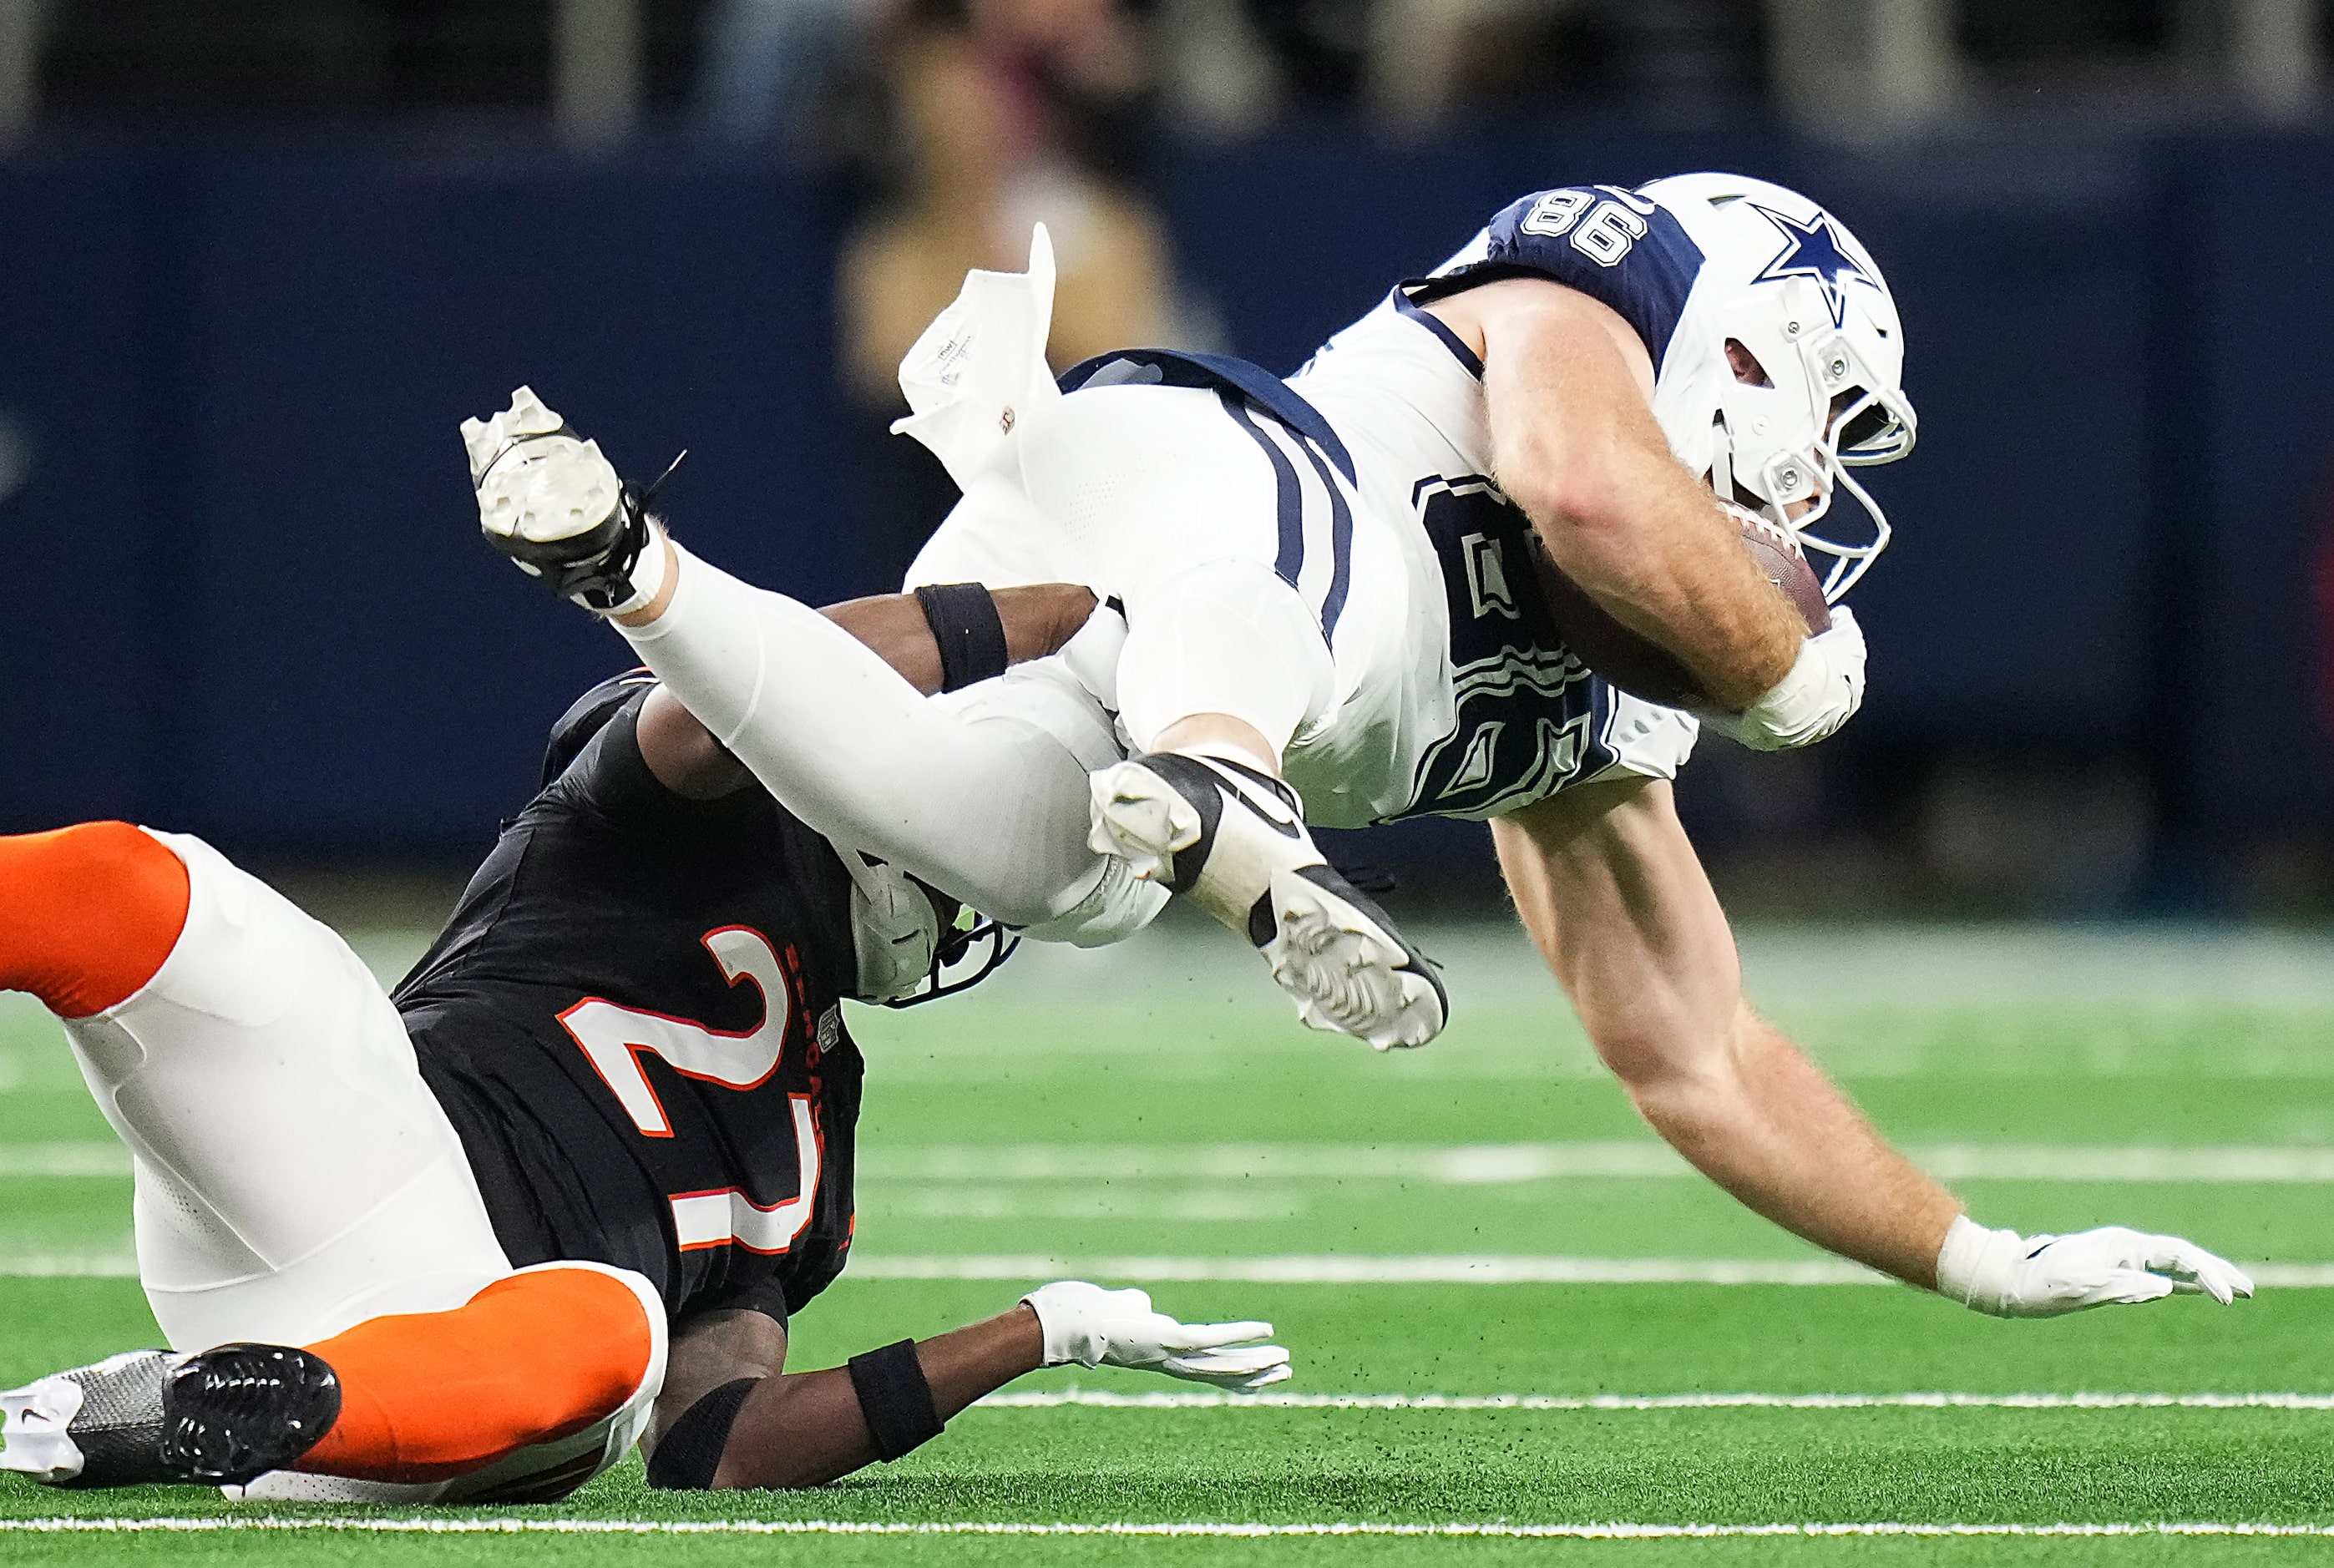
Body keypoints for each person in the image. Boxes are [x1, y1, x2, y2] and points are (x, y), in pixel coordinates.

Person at [476, 170, 2256, 1323]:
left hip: (1089, 691)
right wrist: (1788, 664)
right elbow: (1583, 494)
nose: (1816, 493)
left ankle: (640, 573)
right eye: (1831, 427)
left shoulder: (1604, 723)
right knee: (1277, 601)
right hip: (1179, 484)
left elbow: (1694, 1049)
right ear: (1755, 342)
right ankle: (1227, 795)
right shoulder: (1602, 271)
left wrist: (1972, 1254)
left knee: (1051, 881)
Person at [0, 578, 1285, 1503]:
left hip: (453, 1391)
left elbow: (718, 1442)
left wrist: (1037, 1331)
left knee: (612, 1334)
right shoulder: (666, 818)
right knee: (146, 886)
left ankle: (198, 1412)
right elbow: (741, 693)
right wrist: (1081, 616)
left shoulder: (820, 1150)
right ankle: (204, 1402)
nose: (965, 919)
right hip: (355, 1152)